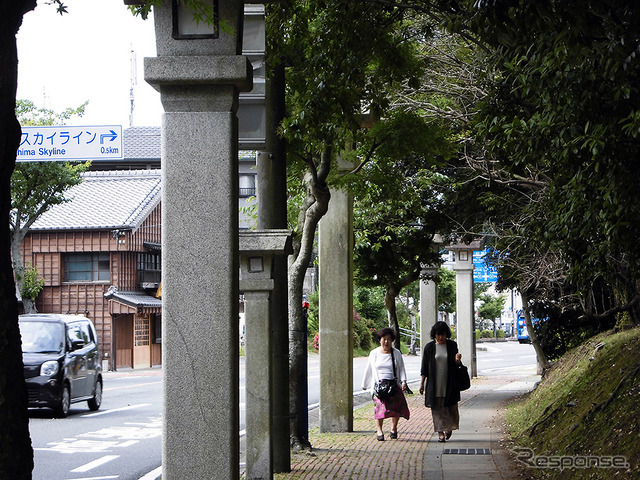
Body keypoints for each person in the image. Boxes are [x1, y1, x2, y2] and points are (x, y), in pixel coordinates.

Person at [361, 327, 410, 441]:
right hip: (379, 386)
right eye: (384, 339)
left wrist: (403, 382)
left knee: (396, 408)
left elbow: (402, 368)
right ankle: (379, 431)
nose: (386, 342)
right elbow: (368, 369)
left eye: (389, 339)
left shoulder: (396, 353)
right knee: (379, 409)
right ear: (380, 340)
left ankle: (393, 428)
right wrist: (365, 384)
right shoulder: (374, 354)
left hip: (393, 385)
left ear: (392, 341)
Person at [419, 321, 463, 443]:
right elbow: (424, 367)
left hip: (449, 382)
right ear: (434, 335)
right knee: (436, 408)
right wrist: (422, 383)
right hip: (434, 383)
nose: (441, 337)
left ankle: (449, 428)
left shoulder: (452, 345)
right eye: (438, 335)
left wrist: (457, 361)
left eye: (443, 335)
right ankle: (440, 432)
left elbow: (457, 365)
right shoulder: (429, 347)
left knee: (451, 407)